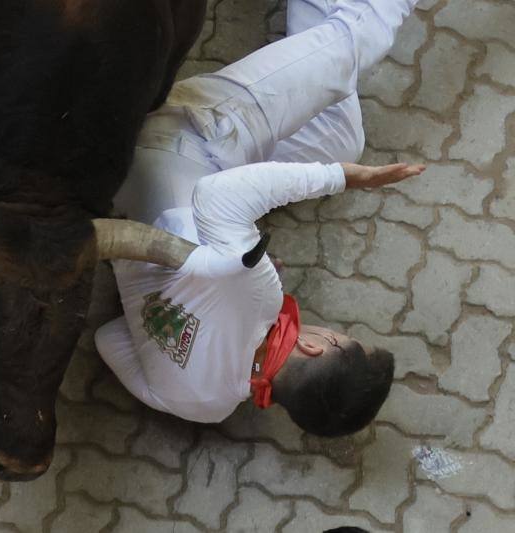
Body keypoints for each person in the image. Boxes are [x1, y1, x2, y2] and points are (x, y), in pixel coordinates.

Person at [94, 0, 426, 437]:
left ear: (313, 346)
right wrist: (172, 294)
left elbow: (217, 197)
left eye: (340, 337)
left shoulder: (259, 294)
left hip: (181, 138)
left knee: (357, 37)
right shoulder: (204, 407)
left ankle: (337, 42)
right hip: (130, 195)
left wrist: (341, 179)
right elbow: (109, 339)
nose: (329, 329)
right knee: (340, 137)